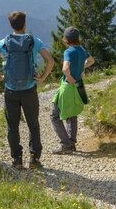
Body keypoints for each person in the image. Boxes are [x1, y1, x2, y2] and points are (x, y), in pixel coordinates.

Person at [0, 11, 54, 168]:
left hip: (11, 90)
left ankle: (17, 159)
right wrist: (42, 77)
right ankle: (35, 159)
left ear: (10, 25)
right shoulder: (34, 41)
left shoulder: (5, 42)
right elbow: (50, 61)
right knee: (33, 124)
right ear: (25, 24)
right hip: (29, 89)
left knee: (13, 126)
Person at [50, 26, 95, 154]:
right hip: (78, 85)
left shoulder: (68, 52)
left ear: (66, 40)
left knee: (54, 115)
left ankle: (66, 144)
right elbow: (91, 60)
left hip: (68, 87)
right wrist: (82, 68)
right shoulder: (82, 50)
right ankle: (72, 143)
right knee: (72, 113)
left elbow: (65, 69)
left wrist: (69, 77)